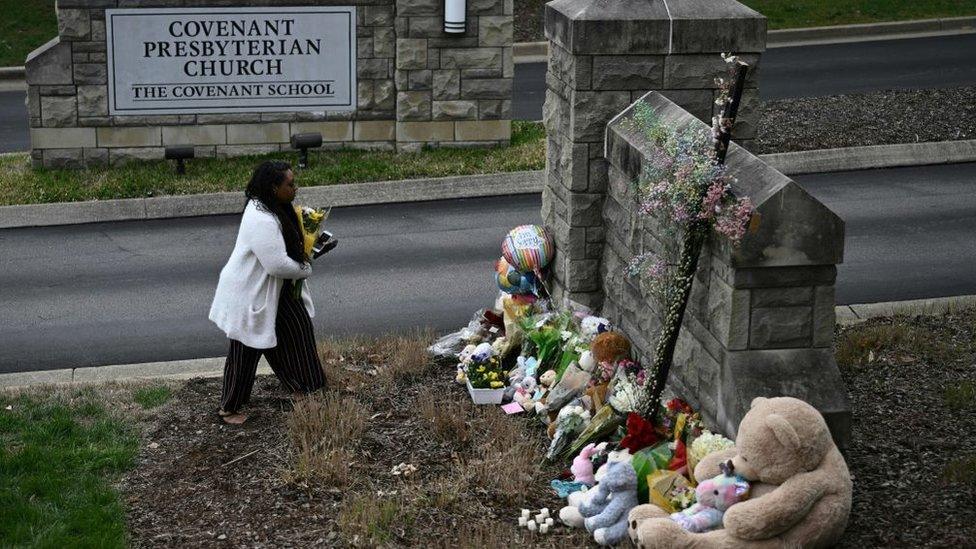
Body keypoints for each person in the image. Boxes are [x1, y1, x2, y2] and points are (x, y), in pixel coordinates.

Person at [208, 160, 327, 424]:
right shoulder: (260, 217)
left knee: (299, 331)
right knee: (246, 350)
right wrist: (305, 268)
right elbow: (277, 265)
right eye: (290, 184)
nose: (295, 188)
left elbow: (289, 237)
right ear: (274, 188)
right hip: (251, 295)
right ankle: (229, 408)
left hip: (276, 291)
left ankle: (309, 389)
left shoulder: (274, 206)